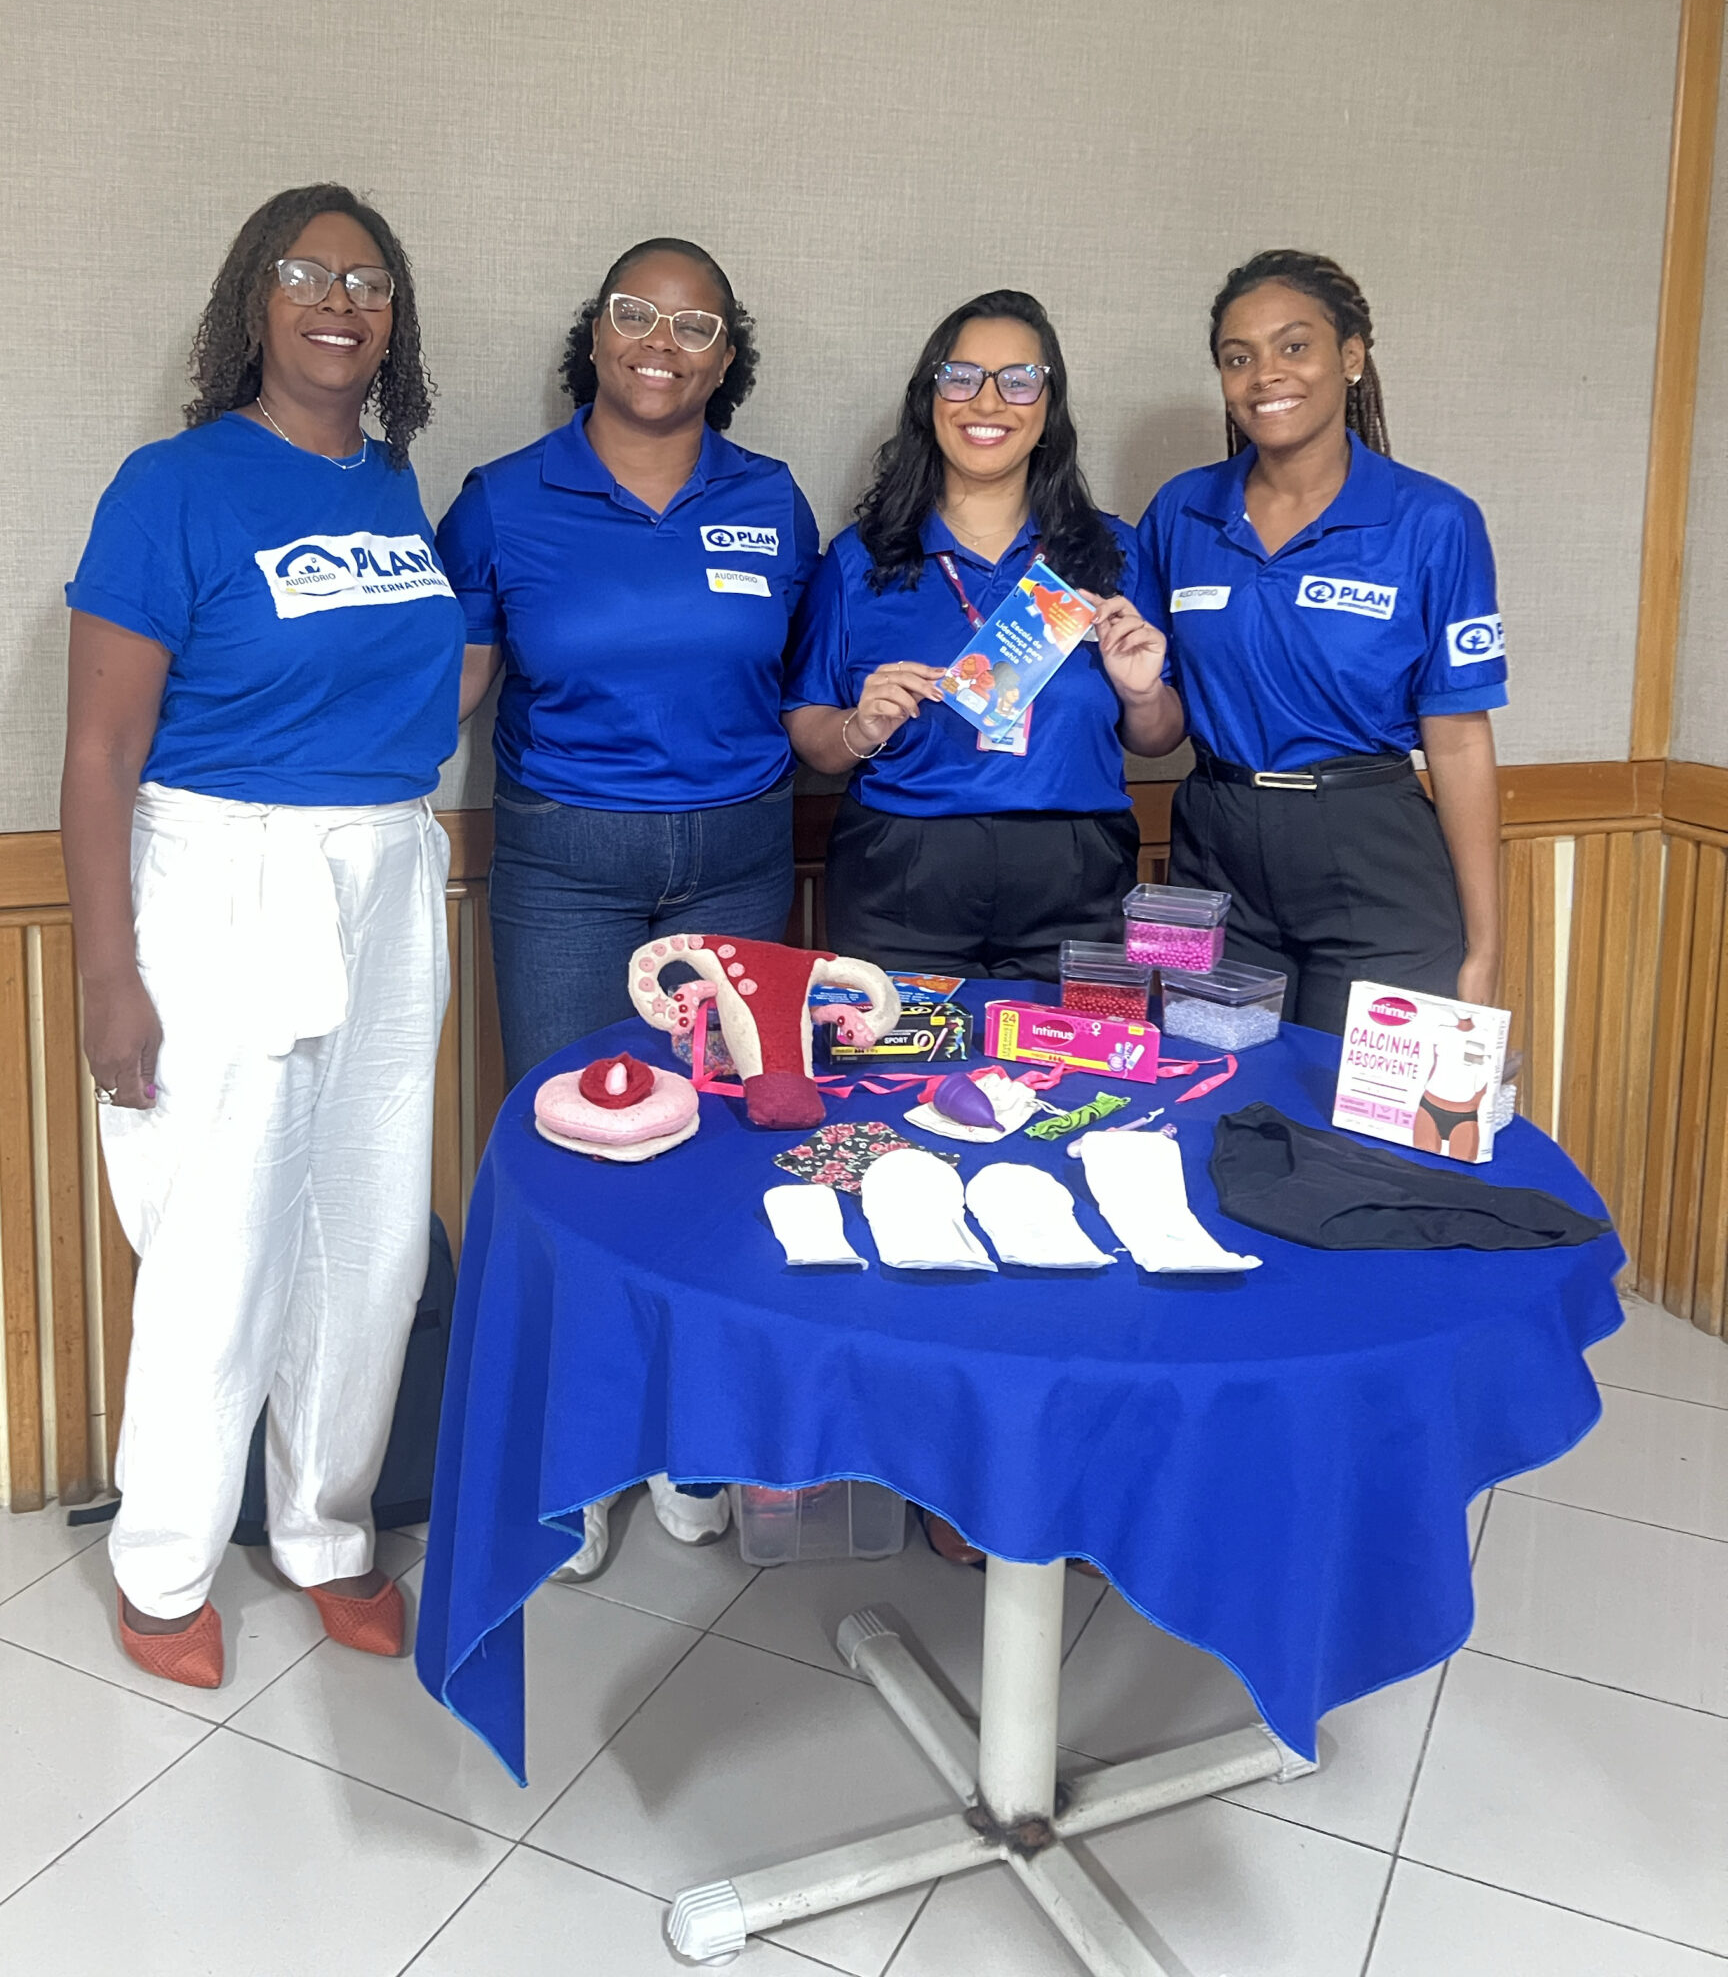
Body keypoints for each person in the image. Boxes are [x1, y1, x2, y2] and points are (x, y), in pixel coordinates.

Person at [62, 184, 469, 1691]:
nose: (340, 299)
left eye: (370, 280)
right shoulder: (171, 488)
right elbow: (100, 753)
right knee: (217, 1247)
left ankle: (327, 1529)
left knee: (366, 1238)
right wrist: (111, 971)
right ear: (255, 301)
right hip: (221, 877)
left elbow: (398, 690)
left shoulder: (390, 488)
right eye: (307, 272)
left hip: (385, 871)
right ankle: (164, 1563)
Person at [437, 237, 819, 1572]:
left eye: (696, 321)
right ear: (594, 336)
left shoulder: (771, 504)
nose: (662, 340)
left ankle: (691, 1443)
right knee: (566, 1159)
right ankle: (575, 1452)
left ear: (729, 352)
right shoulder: (502, 499)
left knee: (721, 1151)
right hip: (563, 868)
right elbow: (451, 693)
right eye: (636, 313)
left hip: (741, 863)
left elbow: (815, 688)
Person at [1128, 249, 1505, 1033]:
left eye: (1294, 346)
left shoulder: (1434, 520)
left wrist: (1485, 944)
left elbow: (1460, 740)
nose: (1266, 374)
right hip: (1214, 840)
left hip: (1372, 848)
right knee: (1205, 1086)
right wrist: (1137, 690)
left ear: (1353, 357)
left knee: (1368, 1127)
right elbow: (1156, 722)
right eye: (1239, 358)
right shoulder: (1182, 511)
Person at [784, 288, 1174, 977]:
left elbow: (1157, 737)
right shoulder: (859, 559)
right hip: (901, 872)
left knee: (1071, 1082)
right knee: (897, 1082)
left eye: (1018, 381)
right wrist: (859, 728)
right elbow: (810, 728)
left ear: (1049, 408)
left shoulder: (1114, 551)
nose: (987, 402)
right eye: (961, 377)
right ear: (928, 399)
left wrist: (1141, 694)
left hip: (1077, 872)